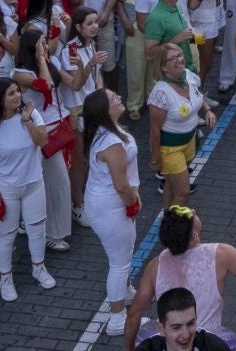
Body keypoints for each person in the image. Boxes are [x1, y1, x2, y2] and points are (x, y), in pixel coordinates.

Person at [130, 207, 236, 351]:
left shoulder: (155, 266)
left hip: (171, 342)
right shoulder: (222, 254)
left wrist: (128, 349)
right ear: (194, 235)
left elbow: (134, 315)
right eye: (191, 215)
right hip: (208, 345)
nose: (193, 211)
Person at [0, 80, 56, 302]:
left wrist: (28, 121)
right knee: (6, 236)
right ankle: (5, 278)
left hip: (34, 183)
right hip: (8, 189)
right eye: (11, 93)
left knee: (37, 228)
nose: (17, 96)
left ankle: (39, 267)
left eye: (17, 91)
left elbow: (43, 141)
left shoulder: (32, 115)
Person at [81, 90, 143, 336]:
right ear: (104, 111)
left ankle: (126, 291)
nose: (119, 97)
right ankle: (117, 319)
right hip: (111, 206)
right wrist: (132, 203)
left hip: (105, 204)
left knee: (123, 254)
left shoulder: (106, 131)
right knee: (119, 262)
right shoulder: (112, 142)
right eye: (113, 99)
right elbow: (121, 184)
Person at [148, 43, 215, 208]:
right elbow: (154, 130)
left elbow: (198, 96)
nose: (179, 60)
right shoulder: (161, 93)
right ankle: (177, 226)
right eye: (173, 58)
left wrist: (207, 110)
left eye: (180, 55)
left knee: (171, 184)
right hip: (171, 149)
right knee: (183, 192)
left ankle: (167, 218)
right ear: (164, 67)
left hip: (189, 142)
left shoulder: (188, 76)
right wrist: (156, 159)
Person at [131, 286, 228, 351]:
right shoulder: (147, 349)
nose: (186, 335)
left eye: (190, 324)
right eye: (176, 327)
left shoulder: (215, 347)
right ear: (161, 329)